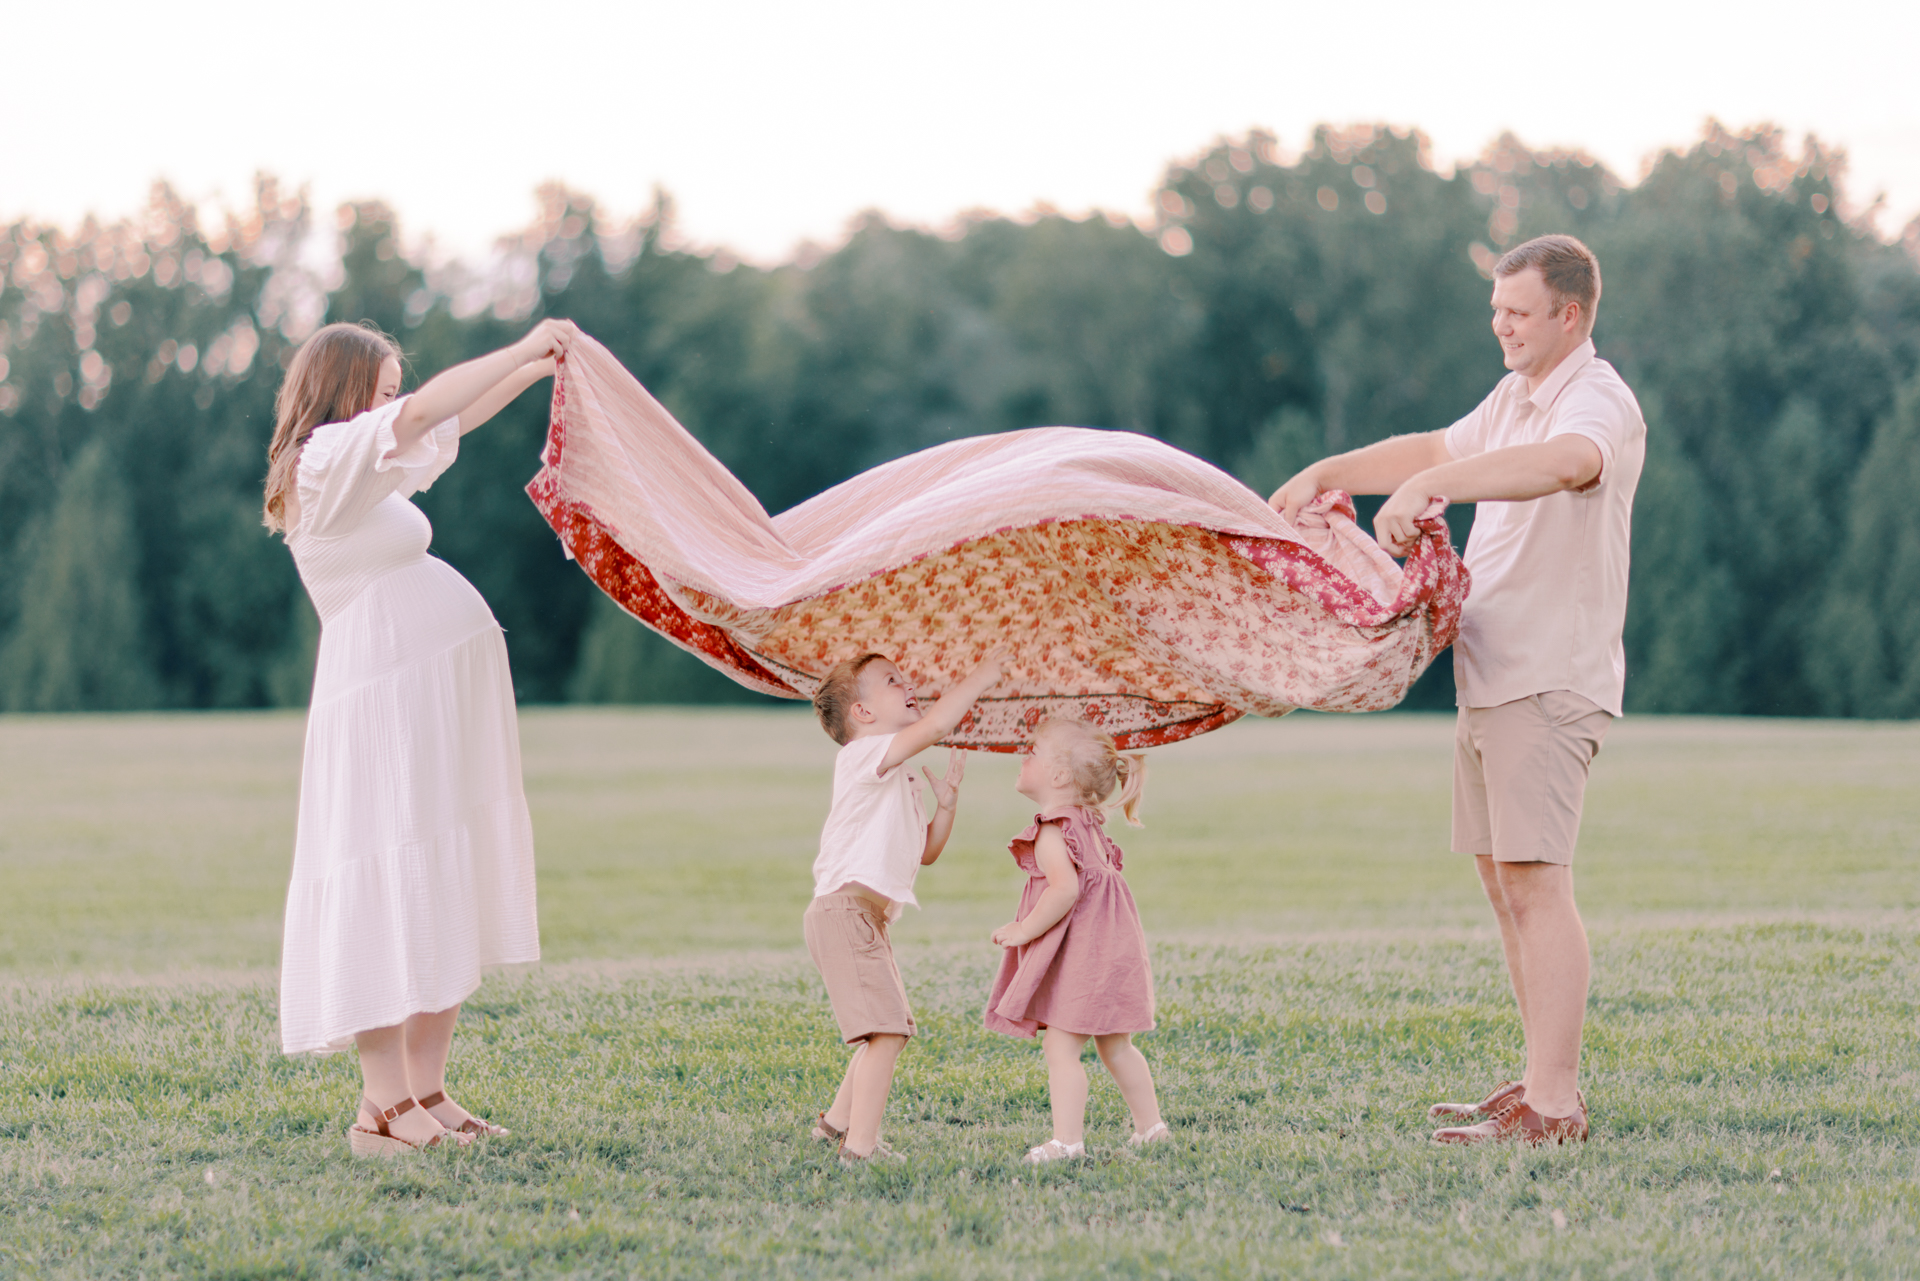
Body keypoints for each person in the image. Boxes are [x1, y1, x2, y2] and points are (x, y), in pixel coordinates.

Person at [1270, 234, 1645, 1145]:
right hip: (1492, 674)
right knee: (1503, 883)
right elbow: (1432, 444)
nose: (1501, 327)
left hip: (1550, 676)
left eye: (1518, 312)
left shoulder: (1596, 400)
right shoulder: (1514, 397)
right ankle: (1535, 1083)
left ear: (1572, 314)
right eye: (1495, 310)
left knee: (1536, 883)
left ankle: (1555, 1106)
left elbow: (1564, 465)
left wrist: (1440, 483)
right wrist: (1329, 473)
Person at [264, 317, 578, 1156]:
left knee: (445, 872)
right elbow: (428, 410)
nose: (397, 399)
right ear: (344, 389)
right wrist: (518, 347)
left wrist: (536, 369)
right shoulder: (322, 463)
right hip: (380, 698)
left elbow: (451, 418)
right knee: (386, 871)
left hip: (427, 695)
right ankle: (381, 1105)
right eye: (385, 384)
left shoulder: (370, 468)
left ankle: (429, 1089)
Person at [804, 649, 1005, 1165]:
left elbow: (926, 854)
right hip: (843, 914)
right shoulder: (863, 756)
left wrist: (947, 806)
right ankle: (861, 1150)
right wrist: (979, 675)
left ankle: (834, 1127)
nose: (907, 682)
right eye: (892, 680)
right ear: (863, 714)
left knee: (887, 1030)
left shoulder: (899, 777)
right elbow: (938, 723)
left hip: (862, 919)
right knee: (887, 1032)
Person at [985, 718, 1169, 1164]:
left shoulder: (1053, 829)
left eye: (1032, 751)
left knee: (1060, 1048)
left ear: (1059, 776)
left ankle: (1067, 1142)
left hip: (1083, 959)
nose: (1021, 756)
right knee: (1116, 1045)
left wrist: (1023, 930)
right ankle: (1152, 1129)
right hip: (1111, 952)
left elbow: (1064, 890)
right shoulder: (1088, 824)